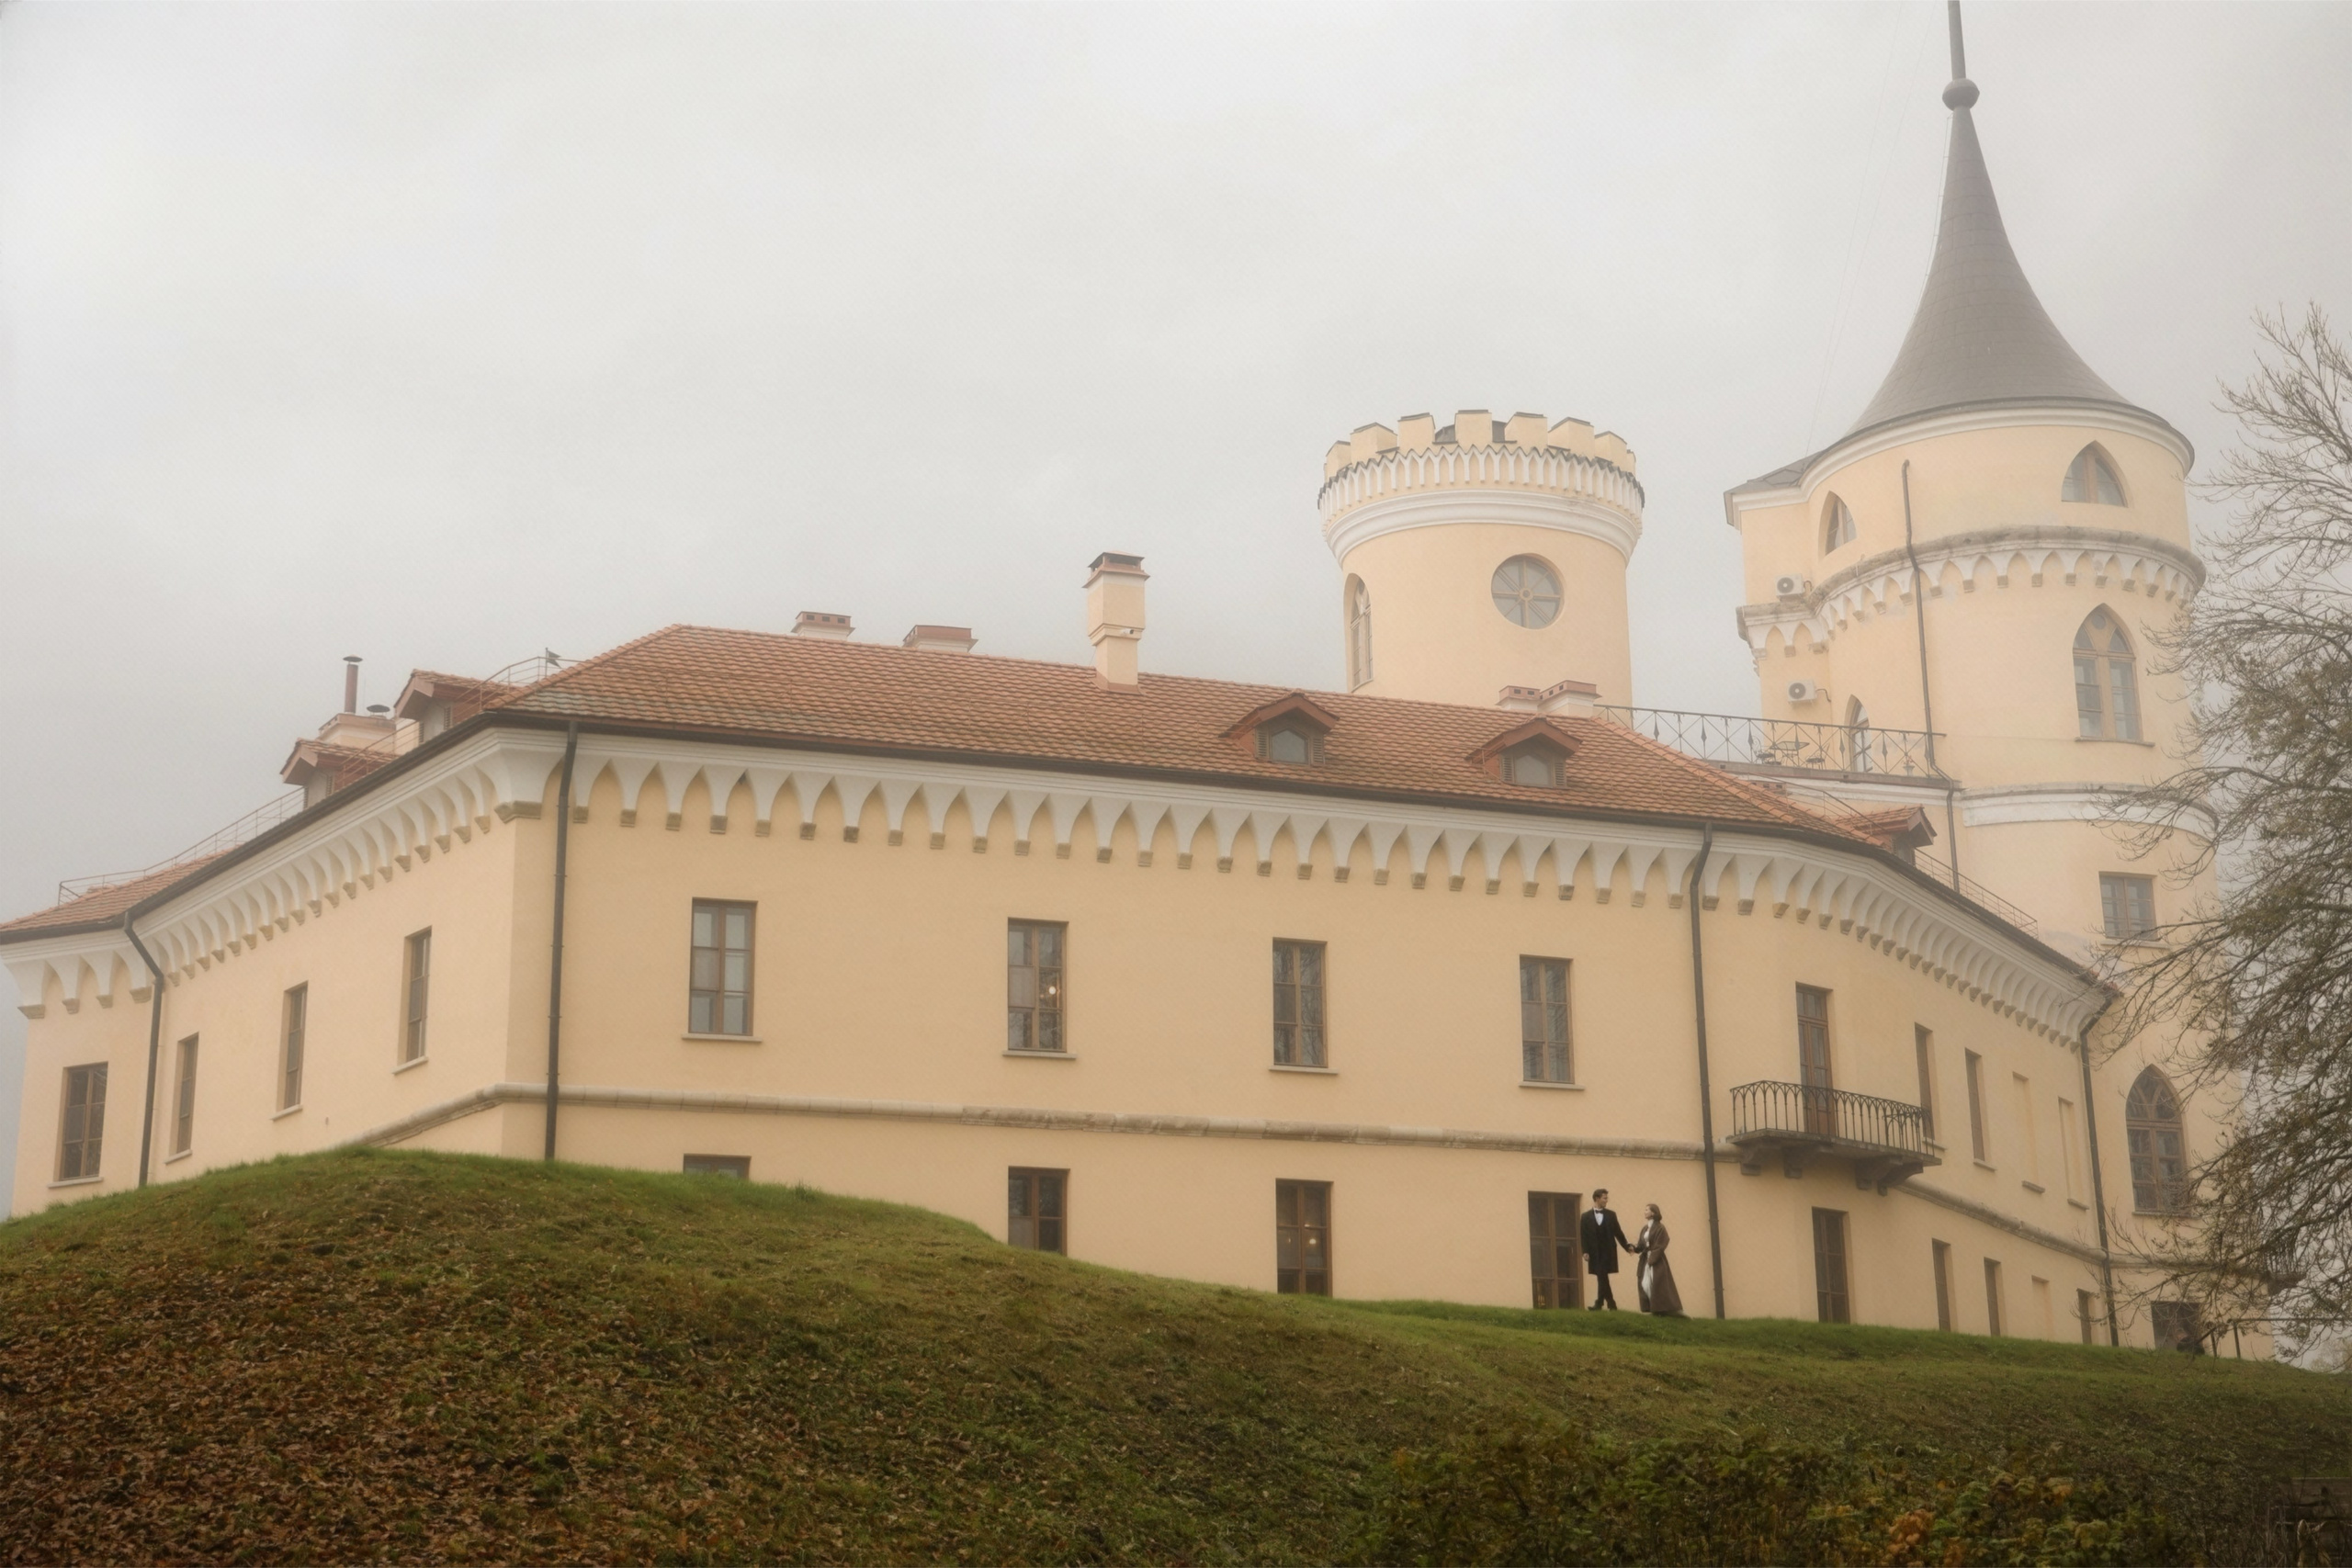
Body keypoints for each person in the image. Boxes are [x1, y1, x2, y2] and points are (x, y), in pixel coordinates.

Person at [1578, 1189, 1635, 1309]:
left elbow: (1618, 1233)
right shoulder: (1585, 1217)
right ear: (1597, 1199)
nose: (1606, 1200)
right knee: (1602, 1276)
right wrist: (1585, 1251)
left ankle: (1601, 1303)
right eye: (1604, 1198)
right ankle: (1609, 1303)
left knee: (1601, 1275)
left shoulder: (1611, 1215)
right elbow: (1583, 1236)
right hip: (1594, 1252)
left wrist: (1627, 1246)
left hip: (1607, 1251)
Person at [1635, 1203, 1684, 1316]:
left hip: (1656, 1261)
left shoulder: (1660, 1228)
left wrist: (1652, 1259)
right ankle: (1652, 1308)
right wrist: (1634, 1248)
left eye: (1647, 1210)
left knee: (1657, 1283)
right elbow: (1641, 1245)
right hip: (1646, 1260)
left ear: (1653, 1213)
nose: (1644, 1212)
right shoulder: (1645, 1228)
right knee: (1645, 1283)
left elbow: (1661, 1244)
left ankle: (1661, 1309)